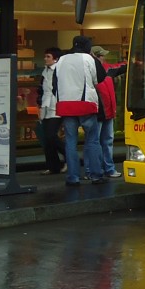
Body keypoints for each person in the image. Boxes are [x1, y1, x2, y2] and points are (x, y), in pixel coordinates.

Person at [54, 35, 107, 186]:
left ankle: (73, 177)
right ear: (87, 47)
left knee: (70, 142)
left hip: (66, 105)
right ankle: (96, 175)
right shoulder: (88, 59)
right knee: (92, 140)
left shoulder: (61, 60)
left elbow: (54, 85)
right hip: (85, 105)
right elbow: (101, 77)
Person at [92, 46, 126, 178]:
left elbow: (121, 66)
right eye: (101, 56)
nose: (104, 58)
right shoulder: (97, 70)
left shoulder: (106, 68)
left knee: (105, 141)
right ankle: (98, 169)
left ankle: (106, 168)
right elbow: (120, 66)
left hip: (107, 111)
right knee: (98, 142)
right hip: (98, 112)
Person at [38, 47, 63, 174]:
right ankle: (53, 166)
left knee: (51, 135)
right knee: (46, 139)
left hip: (56, 106)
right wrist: (39, 105)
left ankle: (69, 157)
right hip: (46, 106)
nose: (45, 59)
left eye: (48, 56)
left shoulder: (59, 71)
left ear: (55, 59)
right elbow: (41, 89)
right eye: (45, 56)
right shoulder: (45, 71)